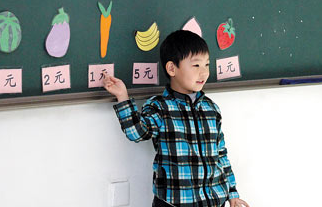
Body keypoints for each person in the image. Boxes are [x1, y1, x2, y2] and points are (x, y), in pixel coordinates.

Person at [104, 30, 250, 207]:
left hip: (213, 202)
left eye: (207, 65)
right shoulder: (160, 107)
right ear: (172, 68)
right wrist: (123, 97)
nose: (203, 73)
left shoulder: (211, 108)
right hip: (174, 203)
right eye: (196, 66)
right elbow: (137, 133)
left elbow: (221, 154)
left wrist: (232, 193)